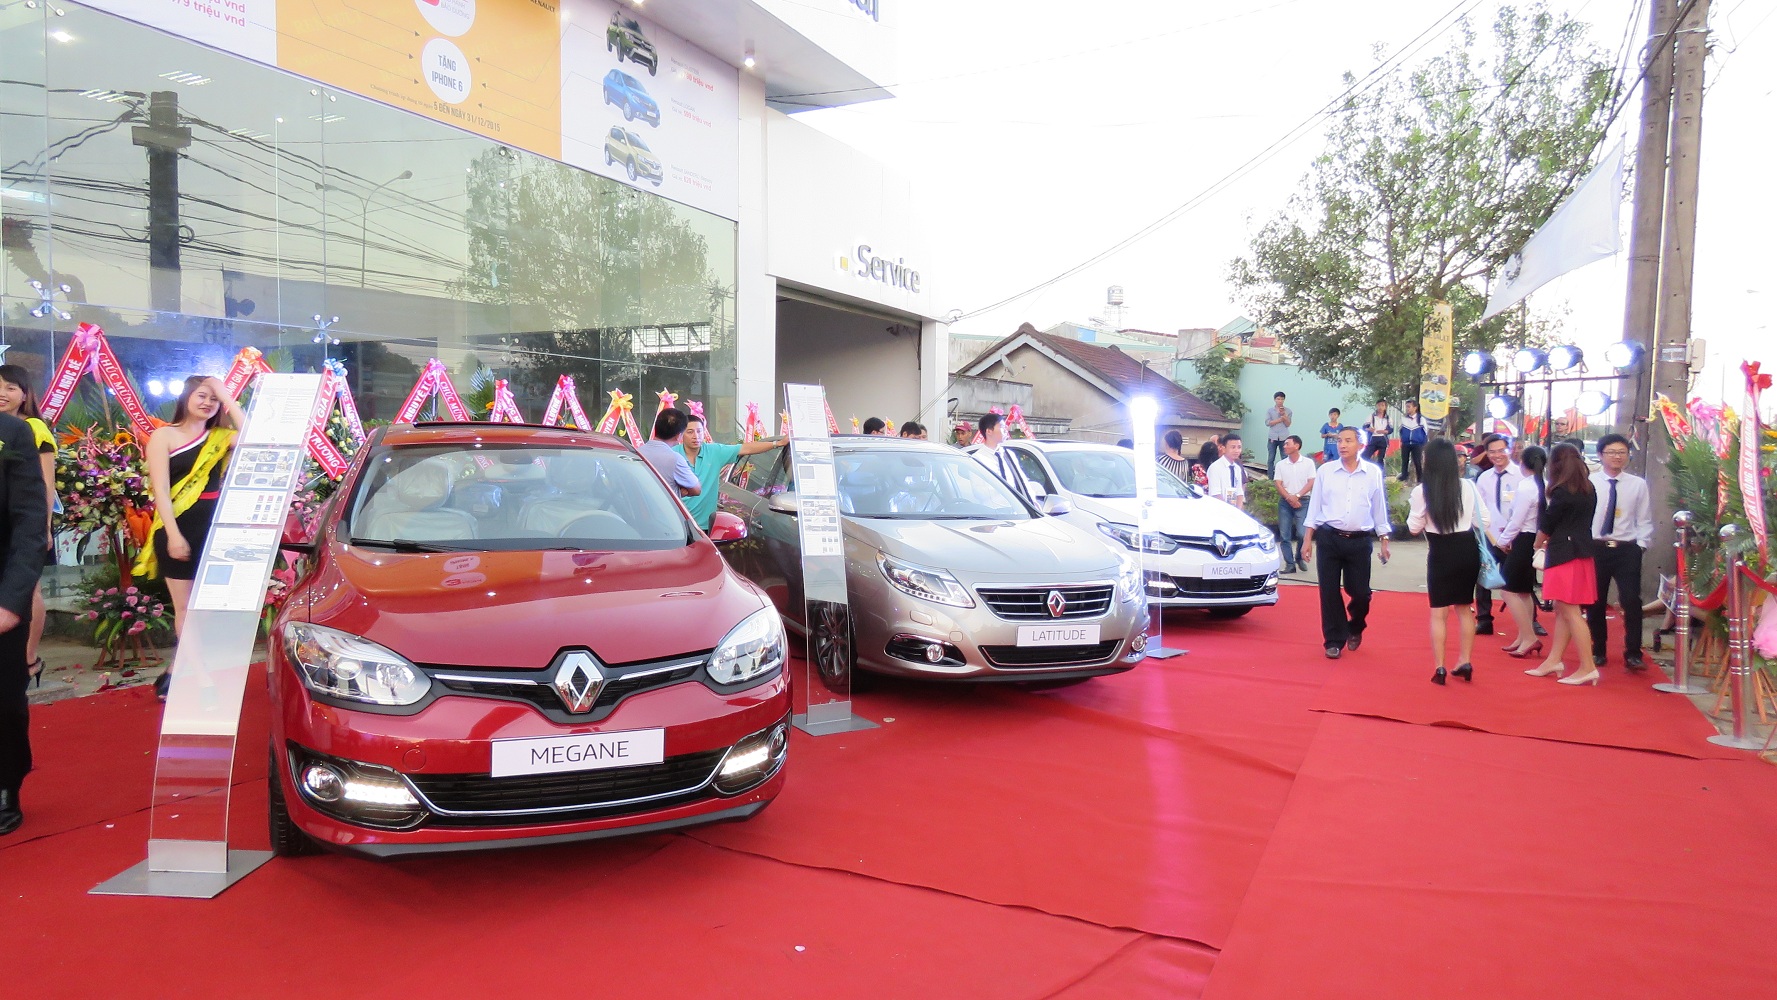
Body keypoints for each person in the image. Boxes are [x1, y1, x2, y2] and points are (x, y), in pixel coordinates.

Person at [139, 375, 246, 699]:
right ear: (186, 398)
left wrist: (225, 392)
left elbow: (255, 437)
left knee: (207, 609)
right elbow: (160, 492)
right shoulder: (163, 436)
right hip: (178, 528)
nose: (207, 403)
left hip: (214, 529)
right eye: (202, 396)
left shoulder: (221, 436)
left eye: (213, 399)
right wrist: (173, 535)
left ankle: (173, 670)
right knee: (185, 609)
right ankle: (202, 681)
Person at [1300, 427, 1392, 659]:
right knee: (1329, 591)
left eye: (1348, 441)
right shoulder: (1326, 471)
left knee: (1360, 593)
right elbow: (1315, 506)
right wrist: (1307, 539)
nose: (1342, 445)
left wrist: (1384, 539)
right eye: (1340, 440)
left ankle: (1356, 625)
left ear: (1361, 445)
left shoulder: (1372, 472)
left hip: (1360, 542)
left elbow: (1379, 506)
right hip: (1329, 538)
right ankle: (1333, 639)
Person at [0, 409, 49, 835]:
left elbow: (30, 523)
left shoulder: (12, 432)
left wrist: (13, 602)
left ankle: (5, 783)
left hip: (1, 592)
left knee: (3, 698)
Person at [1408, 438, 1486, 685]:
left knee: (1439, 613)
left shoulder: (1422, 491)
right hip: (1467, 549)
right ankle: (1465, 660)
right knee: (1464, 608)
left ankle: (1439, 667)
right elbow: (1485, 520)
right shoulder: (1468, 487)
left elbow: (1413, 527)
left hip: (1440, 552)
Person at [0, 366, 57, 687]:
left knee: (27, 591)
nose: (3, 393)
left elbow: (46, 486)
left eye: (11, 387)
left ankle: (28, 658)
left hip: (32, 526)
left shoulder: (33, 427)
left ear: (25, 394)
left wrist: (44, 528)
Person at [1527, 442, 1599, 685]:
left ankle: (1587, 666)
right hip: (1582, 551)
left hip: (1563, 552)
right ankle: (1553, 660)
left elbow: (1547, 524)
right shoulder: (1589, 489)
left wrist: (1536, 545)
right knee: (1564, 610)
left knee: (1569, 610)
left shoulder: (1560, 492)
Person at [1586, 434, 1652, 671]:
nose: (1617, 456)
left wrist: (1641, 545)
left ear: (1627, 456)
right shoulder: (1590, 482)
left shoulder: (1637, 484)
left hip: (1626, 548)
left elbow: (1644, 518)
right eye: (1612, 452)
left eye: (1621, 452)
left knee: (1631, 600)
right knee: (1595, 601)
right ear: (1601, 455)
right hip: (1596, 547)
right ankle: (1598, 649)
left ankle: (1633, 653)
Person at [675, 414, 786, 531]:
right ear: (681, 434)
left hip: (704, 527)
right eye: (690, 432)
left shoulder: (714, 451)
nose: (696, 436)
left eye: (699, 431)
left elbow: (746, 448)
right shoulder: (672, 454)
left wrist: (777, 444)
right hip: (677, 524)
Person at [1498, 445, 1547, 658]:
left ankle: (1528, 637)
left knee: (1506, 589)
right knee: (1524, 590)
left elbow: (1517, 520)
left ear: (1522, 463)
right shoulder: (1547, 484)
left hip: (1525, 538)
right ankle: (1523, 636)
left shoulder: (1526, 486)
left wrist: (1503, 540)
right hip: (1536, 539)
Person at [1472, 434, 1521, 636]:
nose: (1497, 455)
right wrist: (1488, 536)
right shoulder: (1484, 477)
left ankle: (1529, 621)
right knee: (1483, 577)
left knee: (1518, 581)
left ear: (1510, 450)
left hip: (1515, 536)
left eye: (1501, 450)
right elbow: (1478, 509)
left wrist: (1509, 535)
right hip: (1490, 537)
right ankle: (1484, 619)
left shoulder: (1521, 476)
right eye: (1492, 452)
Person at [1273, 434, 1315, 574]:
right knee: (1285, 535)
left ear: (1296, 446)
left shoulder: (1308, 463)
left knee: (1302, 533)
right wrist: (1290, 498)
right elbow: (1278, 483)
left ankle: (1299, 556)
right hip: (1285, 502)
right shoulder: (1280, 464)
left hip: (1303, 501)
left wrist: (1297, 496)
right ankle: (1289, 564)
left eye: (1287, 444)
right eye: (1284, 444)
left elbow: (1311, 482)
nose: (1284, 446)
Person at [640, 408, 702, 501]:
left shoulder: (636, 453)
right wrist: (678, 491)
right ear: (678, 436)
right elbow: (696, 490)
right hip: (663, 513)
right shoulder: (675, 459)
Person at [972, 412, 1033, 504]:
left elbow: (1022, 481)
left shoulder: (1009, 455)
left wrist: (1032, 501)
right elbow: (979, 492)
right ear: (989, 431)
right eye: (1001, 427)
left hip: (1016, 510)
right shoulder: (978, 459)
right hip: (994, 512)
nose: (1006, 430)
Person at [1206, 433, 1247, 510]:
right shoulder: (1215, 468)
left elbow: (1239, 492)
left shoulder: (1237, 468)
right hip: (1218, 510)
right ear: (1223, 448)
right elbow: (1215, 494)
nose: (1236, 450)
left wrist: (1237, 511)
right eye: (1233, 447)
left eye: (1239, 447)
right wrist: (1228, 511)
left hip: (1233, 510)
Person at [1397, 398, 1427, 483]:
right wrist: (1403, 439)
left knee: (1417, 461)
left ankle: (1420, 479)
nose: (1407, 409)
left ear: (1415, 408)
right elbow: (1400, 430)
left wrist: (1423, 443)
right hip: (1406, 443)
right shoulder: (1403, 419)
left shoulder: (1421, 419)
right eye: (1406, 407)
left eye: (1409, 407)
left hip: (1417, 444)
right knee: (1404, 460)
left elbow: (1425, 432)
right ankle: (1404, 476)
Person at [1264, 391, 1292, 476]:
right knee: (1271, 458)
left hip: (1284, 437)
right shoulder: (1270, 411)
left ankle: (1285, 477)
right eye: (1278, 399)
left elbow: (1288, 424)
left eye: (1282, 399)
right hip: (1272, 436)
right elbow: (1268, 423)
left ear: (1284, 400)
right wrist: (1280, 420)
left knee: (1285, 458)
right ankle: (1270, 478)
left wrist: (1284, 416)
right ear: (1275, 400)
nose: (1280, 401)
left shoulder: (1288, 411)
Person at [1360, 399, 1393, 465]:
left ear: (1385, 407)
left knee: (1381, 458)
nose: (1380, 407)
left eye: (1382, 405)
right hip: (1373, 438)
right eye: (1379, 405)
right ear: (1376, 406)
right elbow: (1364, 427)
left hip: (1383, 439)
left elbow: (1391, 430)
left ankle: (1381, 474)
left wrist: (1384, 431)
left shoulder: (1388, 418)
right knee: (1364, 456)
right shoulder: (1371, 416)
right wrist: (1369, 429)